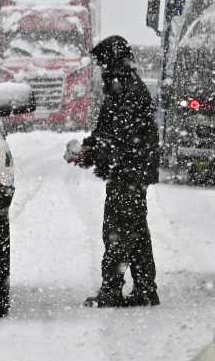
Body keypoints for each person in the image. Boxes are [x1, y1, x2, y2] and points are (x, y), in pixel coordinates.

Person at [69, 35, 161, 308]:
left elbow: (118, 139)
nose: (100, 70)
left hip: (129, 173)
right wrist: (89, 149)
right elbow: (106, 132)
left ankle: (111, 290)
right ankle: (146, 289)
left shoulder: (126, 91)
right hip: (131, 172)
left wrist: (91, 153)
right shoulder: (122, 88)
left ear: (111, 62)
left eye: (101, 64)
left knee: (117, 231)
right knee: (136, 231)